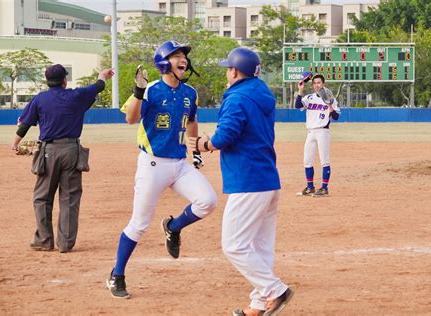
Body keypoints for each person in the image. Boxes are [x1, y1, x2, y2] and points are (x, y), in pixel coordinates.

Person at [106, 40, 217, 299]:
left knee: (208, 201)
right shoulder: (151, 90)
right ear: (164, 62)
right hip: (153, 164)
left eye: (184, 56)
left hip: (179, 164)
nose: (184, 60)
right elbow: (131, 119)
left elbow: (191, 121)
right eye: (177, 55)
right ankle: (117, 274)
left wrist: (196, 151)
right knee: (139, 224)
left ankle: (173, 227)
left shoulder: (190, 92)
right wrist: (137, 90)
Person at [187, 47, 293, 316]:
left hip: (248, 181)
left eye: (228, 68)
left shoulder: (236, 98)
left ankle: (275, 290)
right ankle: (258, 305)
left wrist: (204, 143)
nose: (227, 72)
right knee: (260, 247)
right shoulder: (261, 94)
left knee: (233, 245)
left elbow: (226, 136)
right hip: (267, 178)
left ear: (235, 71)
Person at [11, 64, 114, 253]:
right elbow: (99, 86)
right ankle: (65, 243)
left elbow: (24, 125)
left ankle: (44, 240)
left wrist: (16, 143)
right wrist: (102, 75)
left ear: (47, 81)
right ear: (64, 80)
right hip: (72, 150)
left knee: (42, 198)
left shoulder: (40, 99)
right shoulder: (76, 96)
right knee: (69, 198)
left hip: (49, 151)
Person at [295, 72, 341, 196]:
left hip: (323, 131)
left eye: (319, 82)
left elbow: (336, 117)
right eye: (315, 83)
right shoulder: (309, 98)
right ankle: (310, 187)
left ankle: (324, 188)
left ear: (323, 84)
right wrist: (300, 90)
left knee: (324, 161)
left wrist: (330, 106)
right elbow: (297, 105)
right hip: (310, 132)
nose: (317, 85)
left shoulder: (330, 98)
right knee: (307, 160)